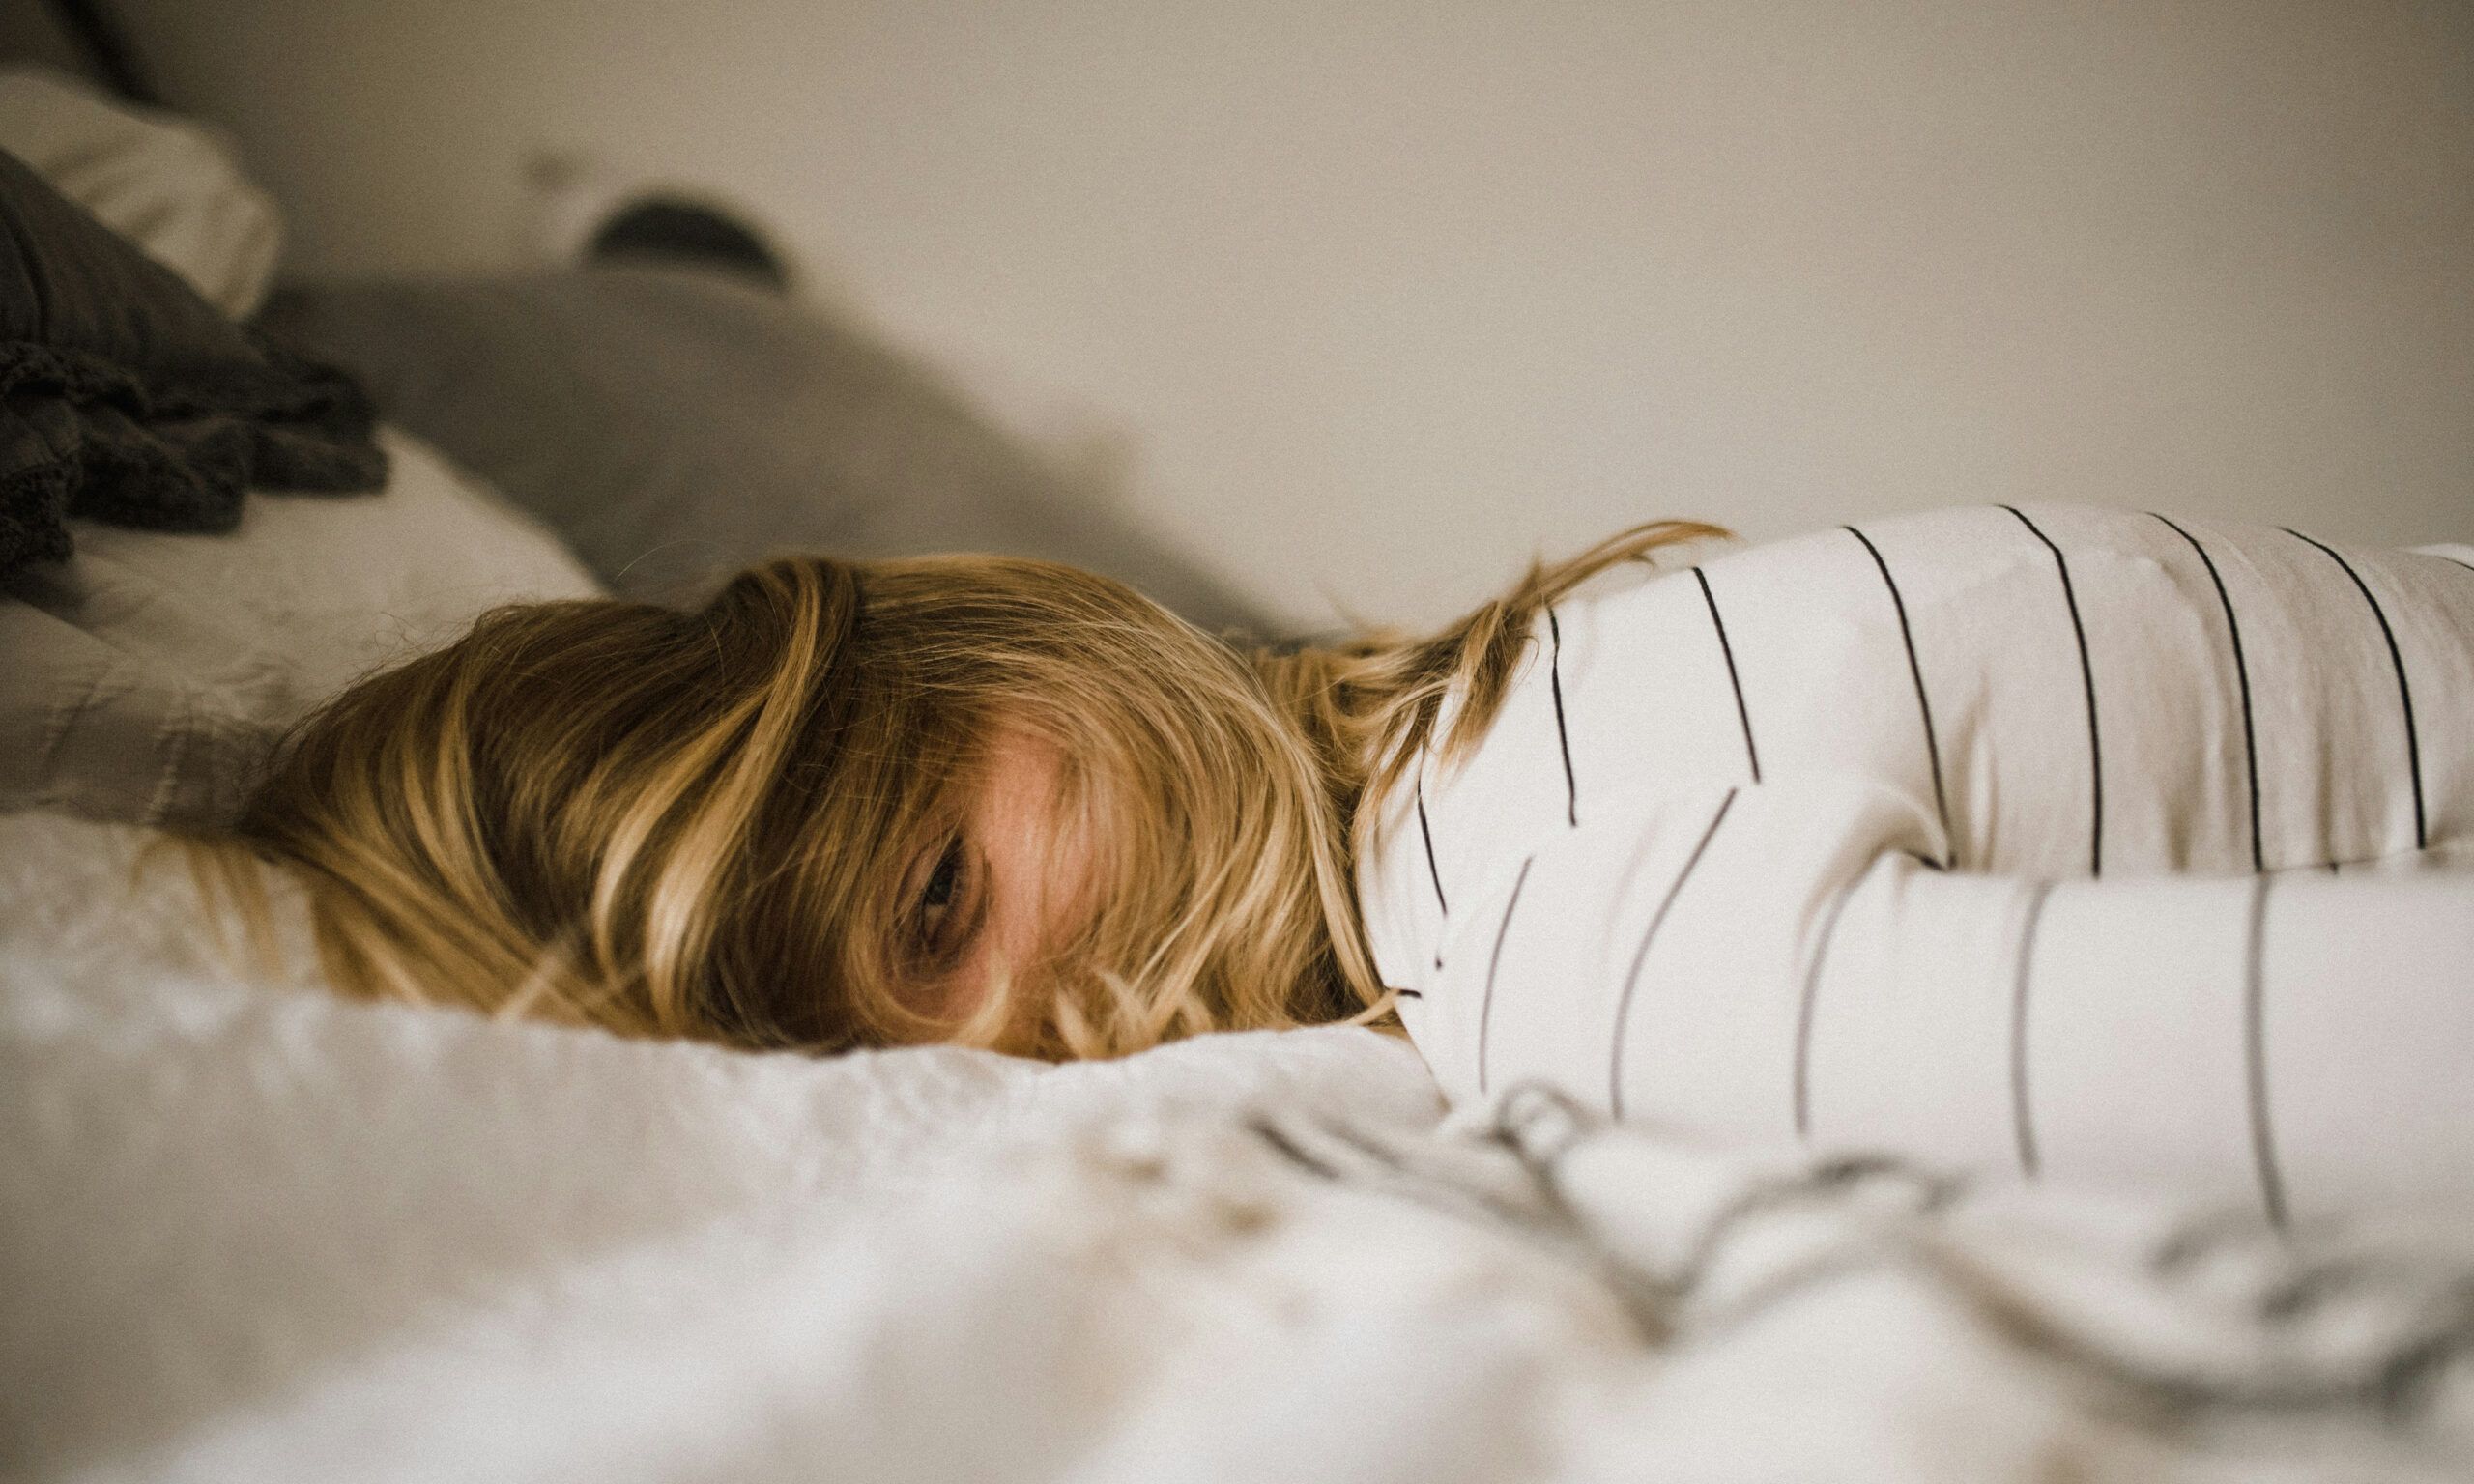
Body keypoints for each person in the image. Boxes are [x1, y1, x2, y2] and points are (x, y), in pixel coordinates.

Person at [210, 508, 2473, 1208]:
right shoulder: (1519, 715)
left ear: (1007, 645)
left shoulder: (1565, 939)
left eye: (935, 905)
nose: (1005, 1059)